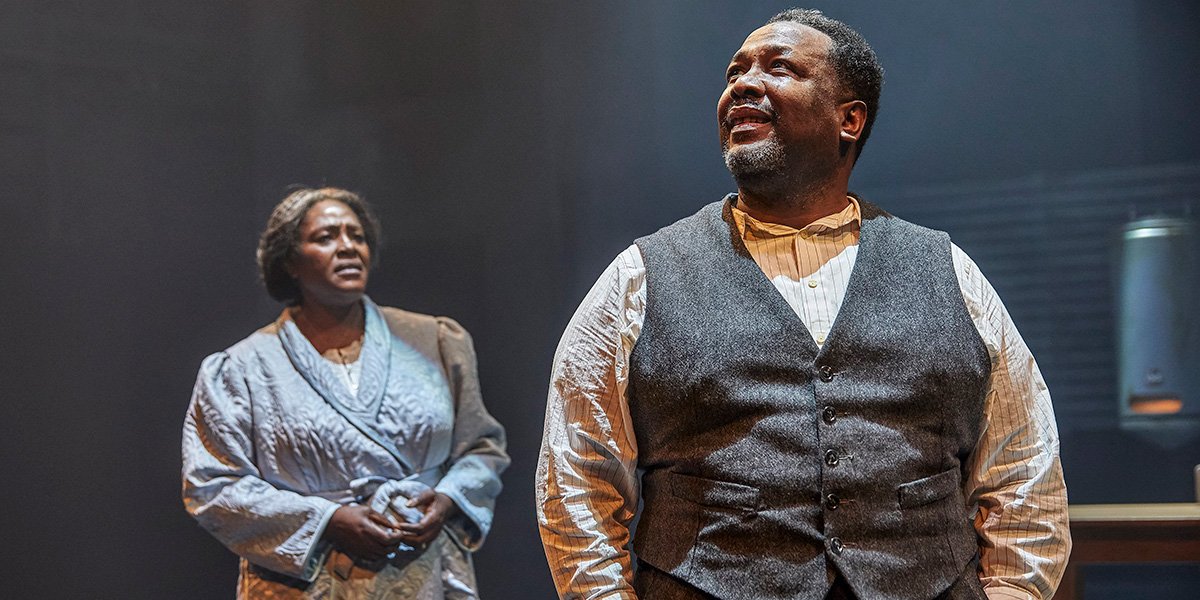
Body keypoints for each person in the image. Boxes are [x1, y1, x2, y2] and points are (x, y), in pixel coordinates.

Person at [537, 8, 1069, 600]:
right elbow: (576, 484)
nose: (742, 83)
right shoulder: (641, 277)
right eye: (734, 71)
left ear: (849, 119)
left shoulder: (948, 270)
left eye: (779, 67)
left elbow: (1024, 473)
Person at [183, 187, 508, 599]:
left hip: (426, 571)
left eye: (356, 236)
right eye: (325, 237)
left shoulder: (435, 342)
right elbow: (212, 485)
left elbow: (482, 447)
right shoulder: (243, 369)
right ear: (290, 261)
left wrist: (447, 499)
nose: (348, 247)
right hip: (307, 582)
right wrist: (327, 519)